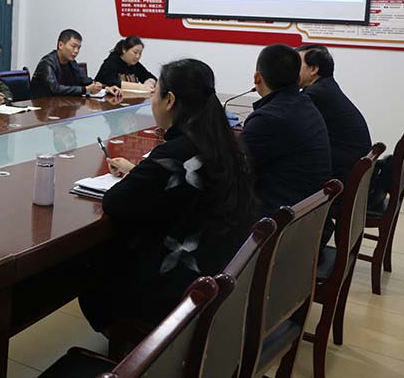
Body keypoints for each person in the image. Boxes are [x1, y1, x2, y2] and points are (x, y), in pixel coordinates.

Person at [79, 59, 256, 332]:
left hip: (176, 290)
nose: (153, 101)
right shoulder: (227, 144)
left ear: (170, 100)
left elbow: (114, 202)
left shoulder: (175, 153)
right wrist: (140, 172)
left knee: (88, 265)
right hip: (220, 273)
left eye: (156, 94)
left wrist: (141, 175)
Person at [241, 44, 331, 217]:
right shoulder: (305, 104)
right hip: (308, 214)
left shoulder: (267, 118)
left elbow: (234, 172)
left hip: (279, 220)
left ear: (257, 77)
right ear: (298, 78)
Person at [297, 44, 371, 185]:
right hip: (352, 166)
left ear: (313, 69)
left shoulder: (315, 94)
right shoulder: (326, 86)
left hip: (342, 173)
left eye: (297, 65)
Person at [30, 29, 120, 98]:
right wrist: (85, 89)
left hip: (62, 105)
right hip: (42, 108)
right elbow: (54, 89)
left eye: (78, 48)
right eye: (73, 46)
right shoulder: (47, 63)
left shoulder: (72, 62)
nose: (76, 51)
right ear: (60, 45)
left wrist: (105, 88)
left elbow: (85, 80)